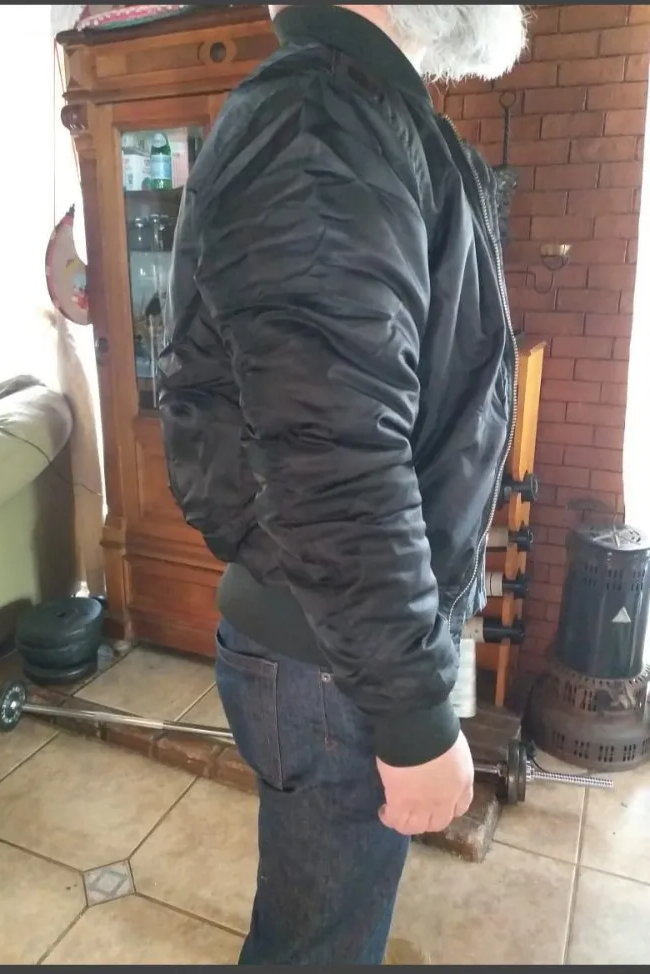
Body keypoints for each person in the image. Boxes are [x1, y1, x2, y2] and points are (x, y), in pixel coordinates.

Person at [158, 4, 527, 964]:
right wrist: (413, 714)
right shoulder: (321, 128)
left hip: (340, 642)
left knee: (322, 933)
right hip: (334, 658)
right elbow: (334, 461)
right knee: (317, 950)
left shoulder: (353, 113)